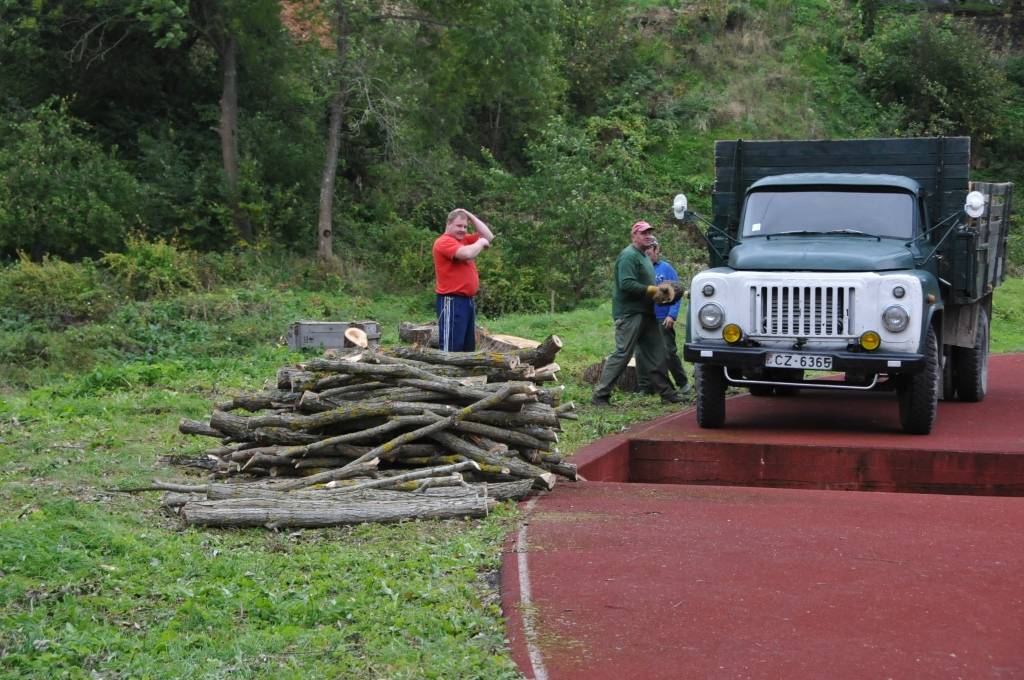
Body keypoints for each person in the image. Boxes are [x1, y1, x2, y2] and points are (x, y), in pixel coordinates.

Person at [592, 221, 684, 406]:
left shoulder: (644, 256)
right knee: (623, 354)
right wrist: (652, 290)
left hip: (646, 313)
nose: (648, 235)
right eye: (644, 233)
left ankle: (667, 394)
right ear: (634, 236)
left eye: (650, 232)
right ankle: (600, 395)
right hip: (629, 314)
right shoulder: (628, 256)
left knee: (657, 353)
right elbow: (626, 284)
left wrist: (662, 294)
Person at [432, 208, 494, 352]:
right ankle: (446, 374)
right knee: (452, 347)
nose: (463, 230)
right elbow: (466, 254)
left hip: (467, 301)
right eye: (459, 226)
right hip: (451, 301)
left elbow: (489, 236)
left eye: (465, 226)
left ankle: (465, 375)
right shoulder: (443, 242)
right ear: (449, 224)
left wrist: (469, 215)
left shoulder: (464, 240)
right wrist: (480, 243)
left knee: (467, 348)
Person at [647, 238, 691, 394]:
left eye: (650, 250)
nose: (647, 253)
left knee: (668, 352)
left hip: (663, 317)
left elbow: (676, 294)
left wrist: (672, 315)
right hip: (647, 318)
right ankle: (647, 387)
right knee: (648, 353)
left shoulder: (666, 268)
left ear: (656, 249)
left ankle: (683, 383)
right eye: (644, 251)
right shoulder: (642, 268)